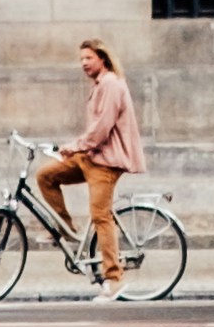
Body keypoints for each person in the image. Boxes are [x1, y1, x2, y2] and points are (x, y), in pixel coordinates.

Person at [31, 40, 143, 288]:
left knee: (100, 216)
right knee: (45, 176)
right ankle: (65, 228)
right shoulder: (100, 85)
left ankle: (114, 279)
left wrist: (74, 146)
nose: (83, 63)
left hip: (106, 162)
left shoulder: (112, 84)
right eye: (81, 59)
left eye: (88, 58)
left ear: (102, 58)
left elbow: (102, 128)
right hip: (91, 157)